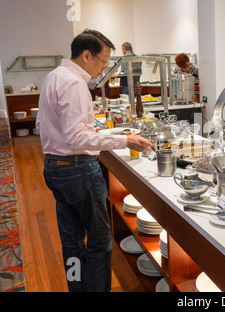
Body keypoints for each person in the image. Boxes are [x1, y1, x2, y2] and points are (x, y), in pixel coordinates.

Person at [36, 29, 153, 292]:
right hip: (78, 171)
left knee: (72, 240)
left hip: (56, 167)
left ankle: (77, 287)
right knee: (100, 242)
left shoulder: (54, 76)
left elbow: (44, 122)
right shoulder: (75, 83)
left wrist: (91, 131)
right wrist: (126, 140)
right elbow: (76, 139)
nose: (104, 67)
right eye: (103, 60)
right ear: (86, 55)